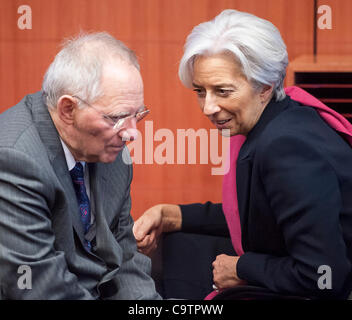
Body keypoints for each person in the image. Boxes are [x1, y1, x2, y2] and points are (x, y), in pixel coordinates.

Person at [133, 9, 352, 299]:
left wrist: (242, 268)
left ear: (264, 87)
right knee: (175, 244)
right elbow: (259, 217)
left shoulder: (287, 148)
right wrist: (171, 215)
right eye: (201, 91)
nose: (207, 107)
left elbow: (326, 277)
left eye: (223, 91)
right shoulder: (280, 118)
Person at [0, 32, 161, 300]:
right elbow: (38, 286)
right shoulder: (14, 159)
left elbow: (126, 258)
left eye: (137, 115)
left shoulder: (113, 153)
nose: (132, 134)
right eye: (118, 117)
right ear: (67, 109)